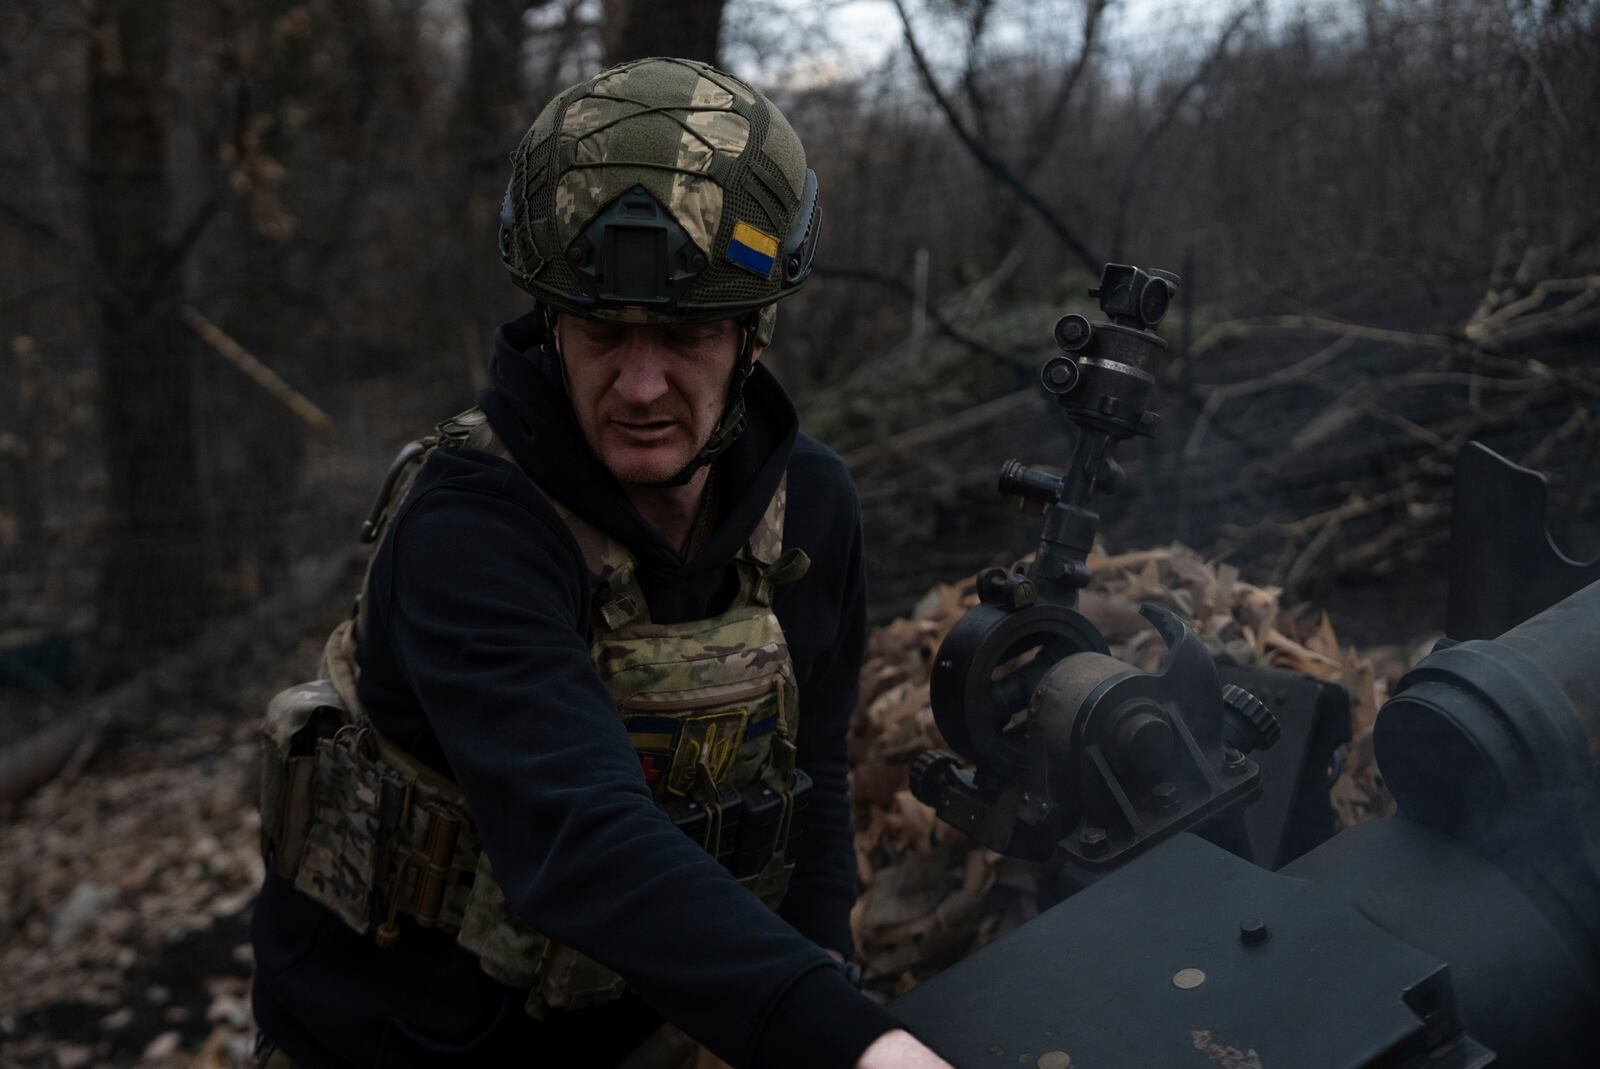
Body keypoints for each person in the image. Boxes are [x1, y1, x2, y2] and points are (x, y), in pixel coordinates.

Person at [250, 57, 954, 1069]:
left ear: (752, 335)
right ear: (550, 320)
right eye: (600, 330)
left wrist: (828, 986)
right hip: (386, 1037)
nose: (638, 382)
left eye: (682, 334)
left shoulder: (811, 509)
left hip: (638, 1028)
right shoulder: (471, 526)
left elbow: (816, 777)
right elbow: (576, 834)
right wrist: (852, 1046)